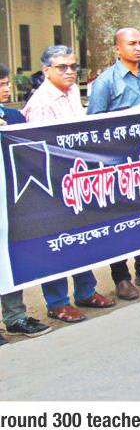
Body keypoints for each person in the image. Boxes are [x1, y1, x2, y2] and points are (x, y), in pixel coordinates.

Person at [23, 46, 118, 322]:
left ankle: (86, 291)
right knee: (57, 242)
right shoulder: (41, 103)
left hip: (78, 178)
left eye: (73, 66)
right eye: (61, 67)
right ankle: (57, 302)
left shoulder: (73, 91)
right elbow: (42, 151)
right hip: (52, 183)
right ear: (46, 70)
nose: (69, 72)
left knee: (82, 237)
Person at [85, 27, 140, 300]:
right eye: (131, 43)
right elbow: (93, 125)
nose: (138, 48)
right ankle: (121, 277)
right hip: (118, 163)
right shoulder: (106, 82)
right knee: (121, 219)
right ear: (118, 48)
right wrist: (128, 115)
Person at [1, 63, 53, 339]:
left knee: (8, 258)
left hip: (10, 201)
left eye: (6, 83)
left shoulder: (13, 116)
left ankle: (15, 316)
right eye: (1, 85)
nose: (7, 89)